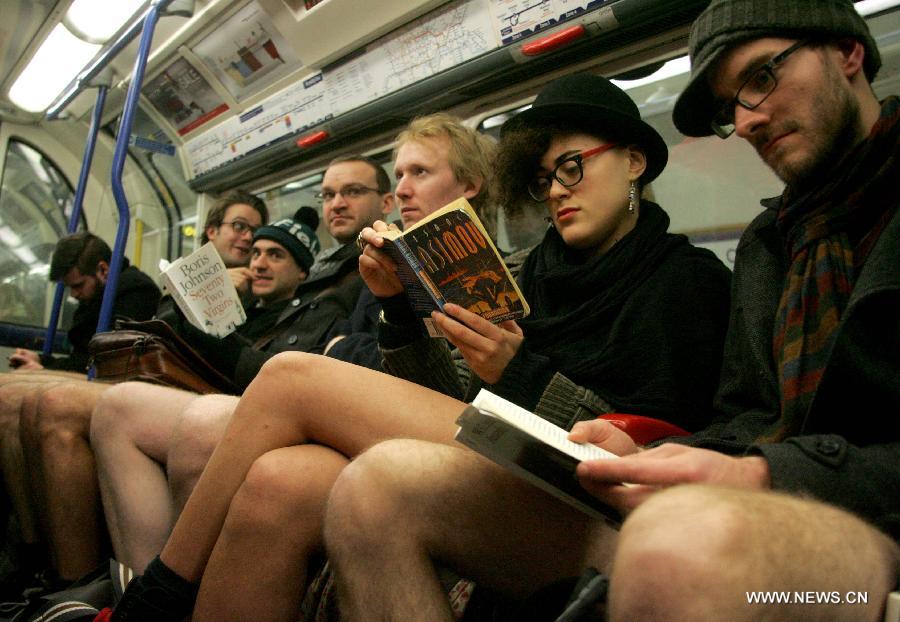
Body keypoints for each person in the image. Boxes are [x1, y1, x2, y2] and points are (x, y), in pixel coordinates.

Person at [322, 2, 900, 621]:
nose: (750, 117)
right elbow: (742, 419)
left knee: (334, 427)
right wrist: (656, 453)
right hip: (716, 493)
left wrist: (758, 470)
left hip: (850, 530)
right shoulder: (772, 244)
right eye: (733, 104)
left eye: (762, 77)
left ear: (849, 52)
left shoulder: (692, 282)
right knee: (310, 478)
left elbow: (729, 432)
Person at [104, 88, 731, 622]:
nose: (556, 192)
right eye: (543, 180)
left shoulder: (685, 278)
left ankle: (163, 590)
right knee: (281, 481)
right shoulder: (534, 272)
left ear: (634, 162)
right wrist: (401, 312)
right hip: (504, 451)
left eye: (572, 167)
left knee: (290, 374)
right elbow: (455, 397)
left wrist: (518, 372)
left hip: (595, 483)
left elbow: (653, 435)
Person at [90, 154, 394, 575]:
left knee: (123, 410)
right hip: (263, 392)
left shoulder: (355, 285)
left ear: (388, 202)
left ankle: (152, 588)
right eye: (328, 194)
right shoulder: (291, 288)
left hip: (291, 403)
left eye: (353, 192)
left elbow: (309, 360)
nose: (259, 264)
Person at [7, 232, 161, 372]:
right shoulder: (100, 294)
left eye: (78, 285)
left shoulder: (136, 293)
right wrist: (41, 360)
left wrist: (44, 369)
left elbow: (109, 364)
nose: (73, 294)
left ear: (103, 270)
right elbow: (82, 359)